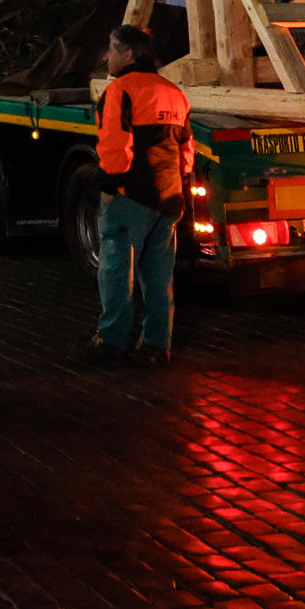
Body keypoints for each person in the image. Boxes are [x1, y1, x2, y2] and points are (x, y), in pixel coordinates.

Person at [87, 23, 189, 367]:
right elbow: (186, 149)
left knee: (116, 272)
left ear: (128, 54)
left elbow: (116, 145)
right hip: (170, 196)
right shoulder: (172, 91)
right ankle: (157, 346)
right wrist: (179, 186)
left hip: (131, 196)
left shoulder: (121, 91)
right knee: (159, 278)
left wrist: (108, 189)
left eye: (112, 49)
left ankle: (111, 343)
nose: (106, 55)